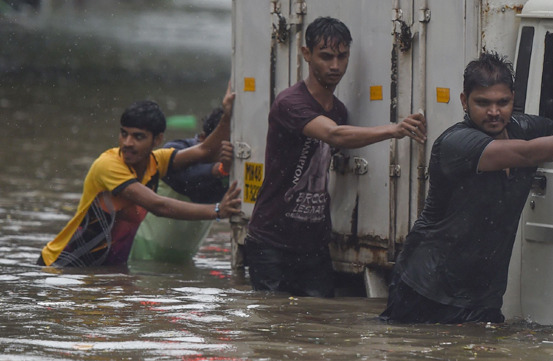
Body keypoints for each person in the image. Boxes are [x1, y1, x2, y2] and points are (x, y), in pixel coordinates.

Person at [381, 51, 553, 325]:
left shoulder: (528, 128)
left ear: (513, 98)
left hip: (483, 295)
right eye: (482, 103)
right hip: (426, 287)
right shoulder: (455, 143)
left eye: (503, 102)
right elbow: (526, 154)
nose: (494, 113)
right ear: (464, 101)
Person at [244, 16, 426, 297]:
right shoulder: (290, 103)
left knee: (321, 325)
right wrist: (394, 129)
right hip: (271, 242)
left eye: (342, 57)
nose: (335, 66)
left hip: (313, 245)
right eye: (326, 57)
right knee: (273, 325)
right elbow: (334, 136)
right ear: (307, 54)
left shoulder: (339, 110)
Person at [39, 88, 240, 268]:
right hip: (63, 268)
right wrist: (217, 210)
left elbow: (205, 150)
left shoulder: (157, 162)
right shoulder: (108, 165)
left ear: (158, 140)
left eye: (138, 136)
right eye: (124, 134)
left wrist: (227, 116)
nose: (128, 143)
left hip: (106, 270)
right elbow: (157, 205)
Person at [161, 107, 234, 204]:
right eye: (222, 145)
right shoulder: (174, 149)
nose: (226, 151)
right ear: (203, 138)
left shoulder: (237, 161)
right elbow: (188, 180)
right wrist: (221, 168)